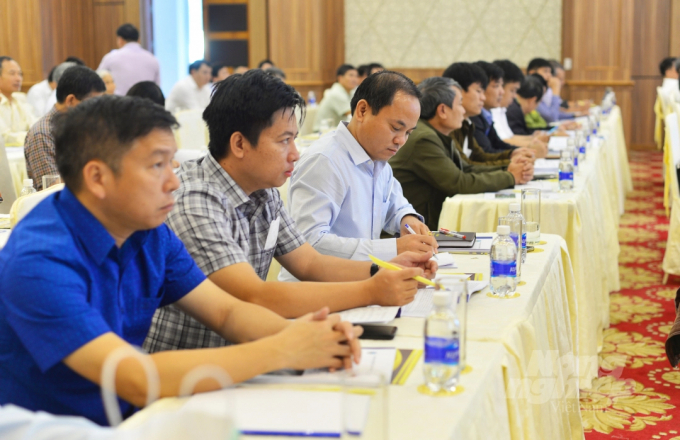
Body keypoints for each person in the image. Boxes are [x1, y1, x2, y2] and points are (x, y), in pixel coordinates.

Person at [0, 95, 362, 426]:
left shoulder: (147, 231)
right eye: (158, 165)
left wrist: (311, 338)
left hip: (136, 418)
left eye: (173, 164)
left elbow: (227, 313)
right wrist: (284, 349)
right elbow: (132, 378)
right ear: (97, 177)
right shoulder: (38, 260)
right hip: (54, 427)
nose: (174, 182)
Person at [144, 70, 436, 352]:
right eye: (285, 140)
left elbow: (310, 263)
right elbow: (253, 296)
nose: (296, 153)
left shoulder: (264, 190)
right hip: (191, 364)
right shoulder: (196, 200)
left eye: (295, 139)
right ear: (239, 143)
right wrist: (372, 289)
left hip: (247, 349)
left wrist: (388, 270)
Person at [283, 71, 438, 277]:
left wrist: (407, 219)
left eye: (408, 132)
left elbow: (395, 204)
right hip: (316, 290)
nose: (401, 140)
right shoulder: (325, 160)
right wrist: (394, 249)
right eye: (395, 128)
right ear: (362, 110)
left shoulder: (378, 158)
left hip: (359, 281)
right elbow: (309, 243)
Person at [390, 77, 526, 230]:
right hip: (413, 229)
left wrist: (509, 168)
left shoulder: (436, 133)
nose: (463, 110)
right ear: (442, 110)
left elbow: (466, 168)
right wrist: (510, 176)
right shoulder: (424, 138)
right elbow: (458, 182)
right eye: (460, 104)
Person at [25, 66, 106, 191]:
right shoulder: (43, 133)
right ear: (71, 100)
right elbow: (52, 188)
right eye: (93, 103)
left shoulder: (85, 126)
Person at [442, 62, 535, 166]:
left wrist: (512, 155)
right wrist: (510, 167)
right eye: (478, 91)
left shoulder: (466, 122)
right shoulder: (449, 125)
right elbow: (465, 168)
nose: (483, 97)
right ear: (457, 91)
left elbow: (479, 156)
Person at [491, 59, 549, 151]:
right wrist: (531, 144)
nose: (515, 96)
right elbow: (504, 141)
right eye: (512, 90)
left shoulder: (500, 109)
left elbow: (510, 137)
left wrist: (533, 139)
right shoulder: (504, 110)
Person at [97, 23, 160, 96]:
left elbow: (98, 80)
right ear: (139, 40)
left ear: (120, 40)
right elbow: (157, 88)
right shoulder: (153, 59)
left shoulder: (110, 58)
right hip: (146, 104)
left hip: (118, 104)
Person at [0, 56, 37, 144]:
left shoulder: (20, 99)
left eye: (20, 74)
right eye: (12, 74)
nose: (18, 79)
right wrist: (33, 136)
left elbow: (34, 124)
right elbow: (3, 136)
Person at [526, 58, 574, 123]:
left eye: (550, 72)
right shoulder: (529, 90)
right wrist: (555, 90)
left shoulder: (543, 89)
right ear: (532, 73)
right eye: (545, 71)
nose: (549, 75)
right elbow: (552, 117)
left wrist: (574, 115)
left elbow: (554, 113)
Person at [313, 64, 359, 131]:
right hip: (321, 132)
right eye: (351, 75)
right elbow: (353, 114)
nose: (354, 79)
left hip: (335, 130)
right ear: (340, 78)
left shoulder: (351, 92)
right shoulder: (336, 93)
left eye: (356, 76)